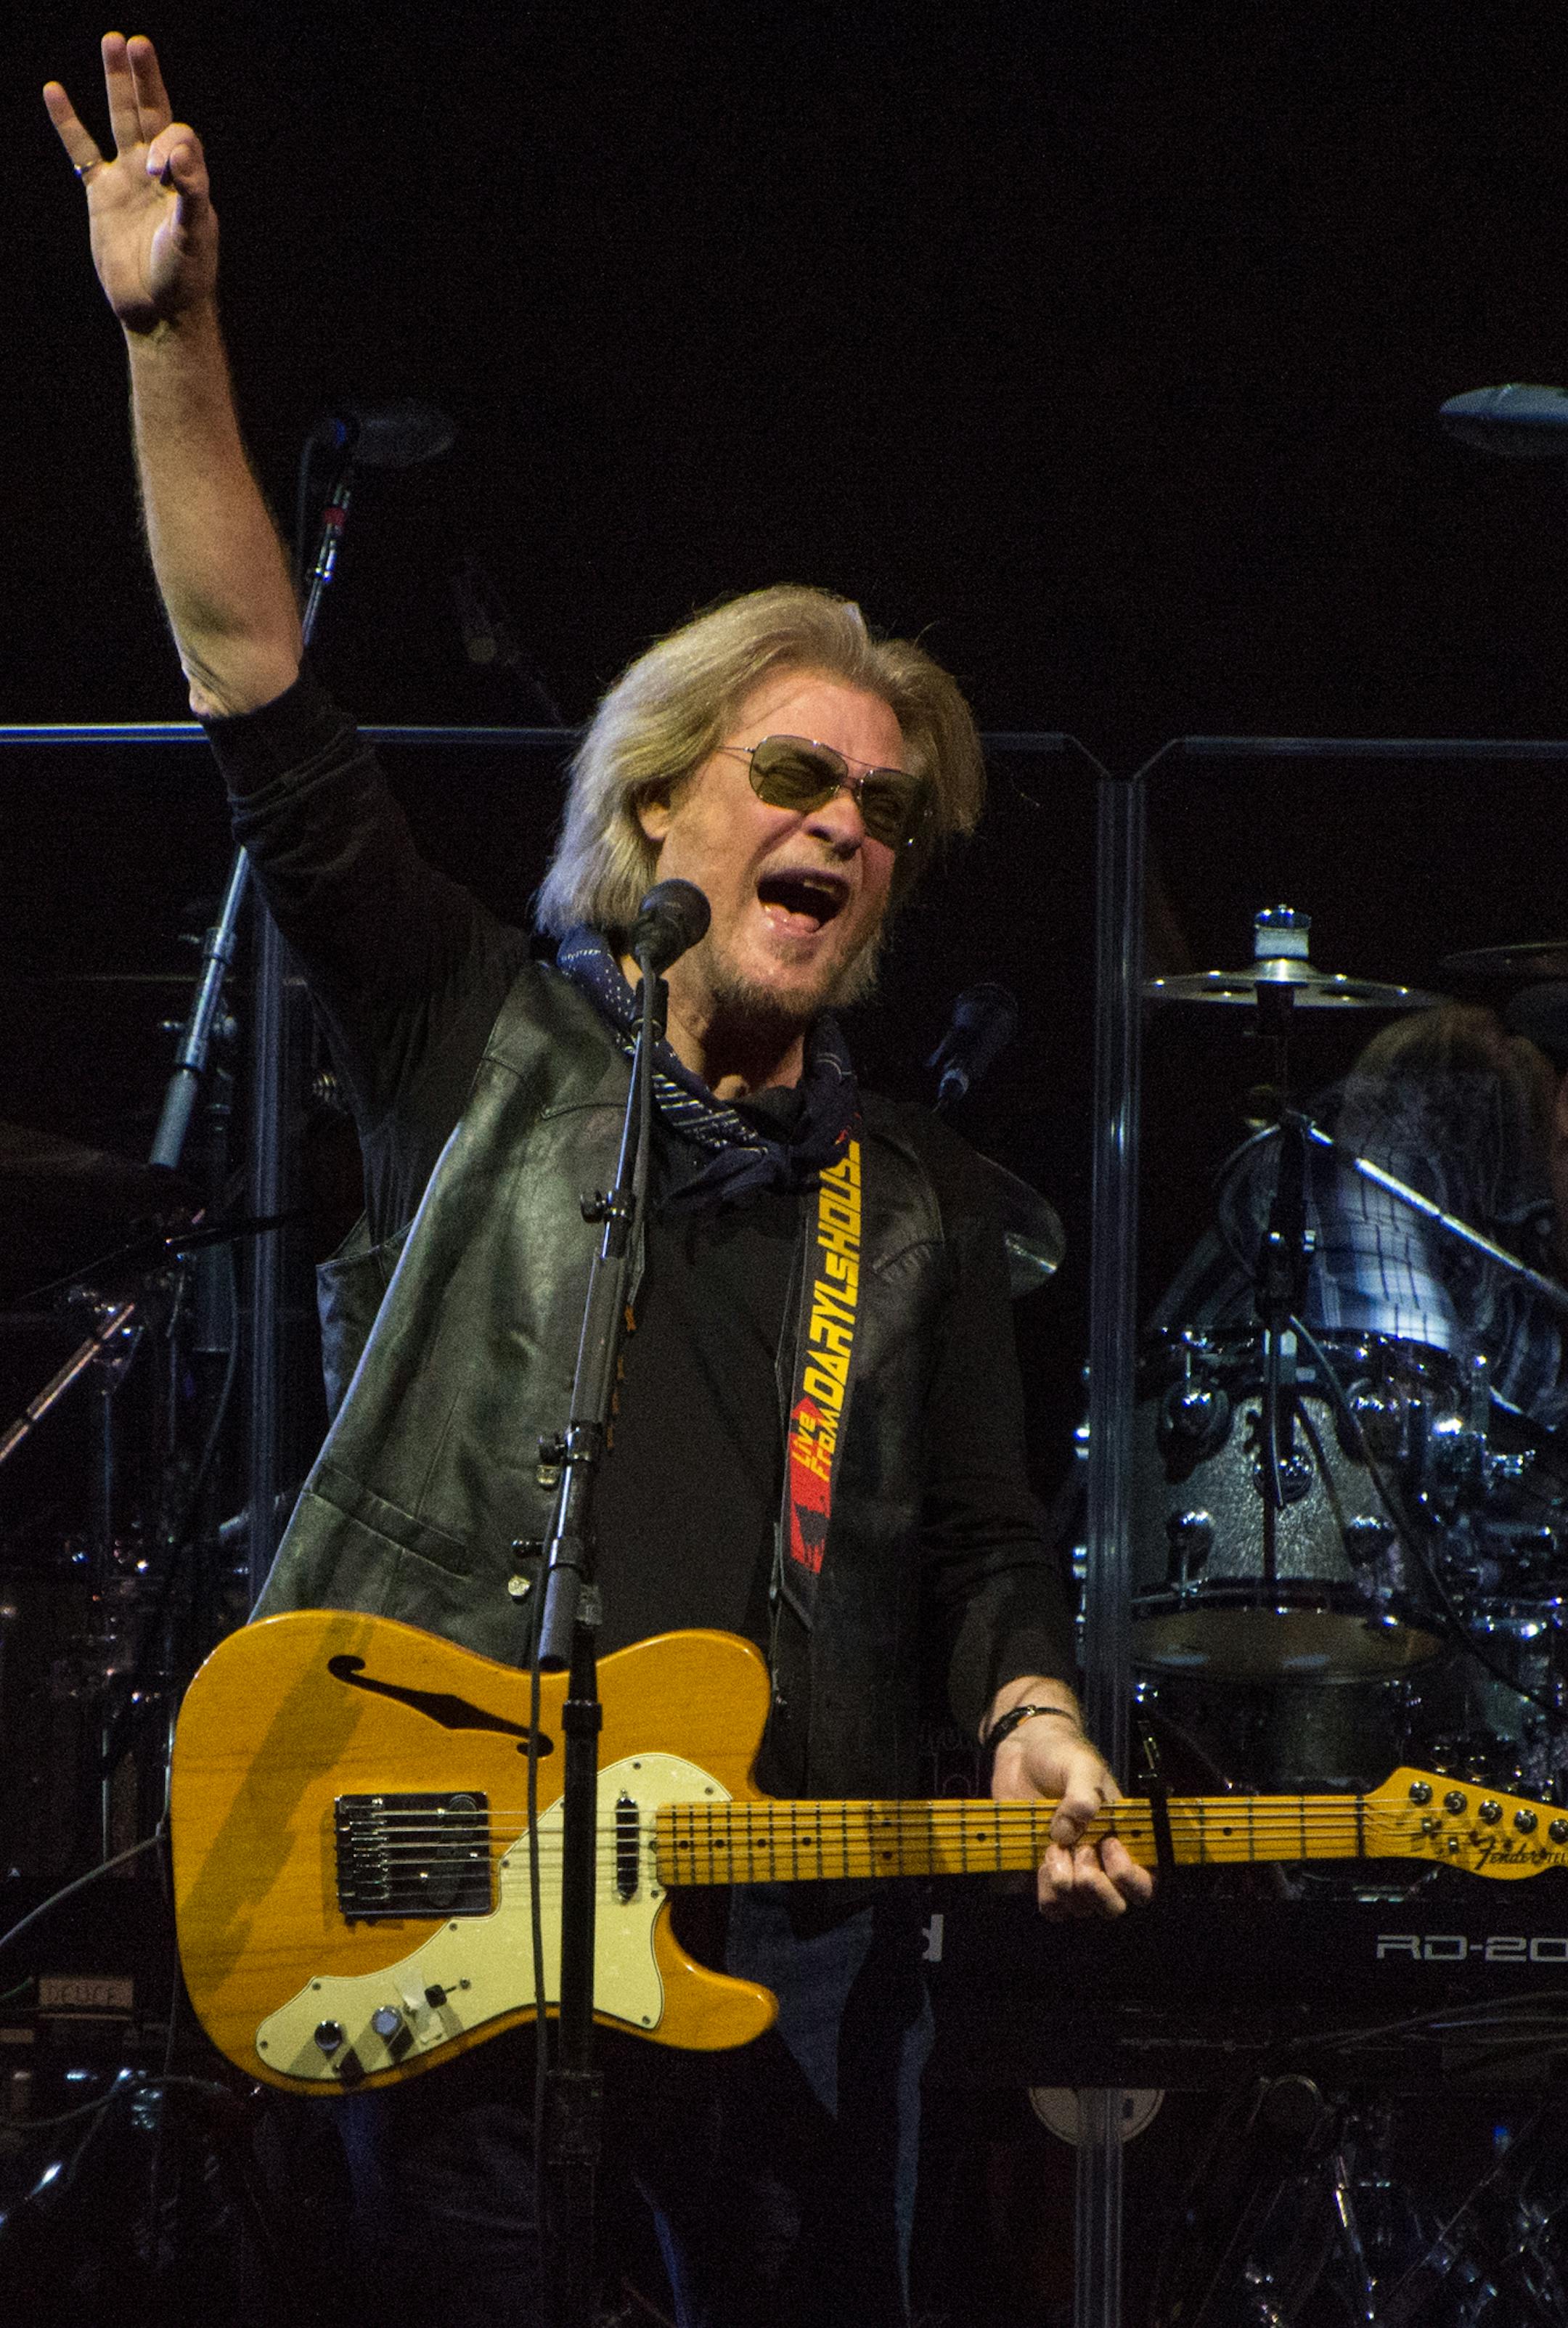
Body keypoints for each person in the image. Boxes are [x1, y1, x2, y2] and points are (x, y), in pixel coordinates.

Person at [45, 34, 1151, 2328]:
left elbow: (980, 1544)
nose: (845, 828)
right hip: (447, 1894)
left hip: (794, 1940)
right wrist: (173, 339)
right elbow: (256, 688)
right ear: (658, 806)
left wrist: (1035, 1720)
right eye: (795, 777)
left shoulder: (917, 1203)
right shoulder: (479, 1043)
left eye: (885, 814)